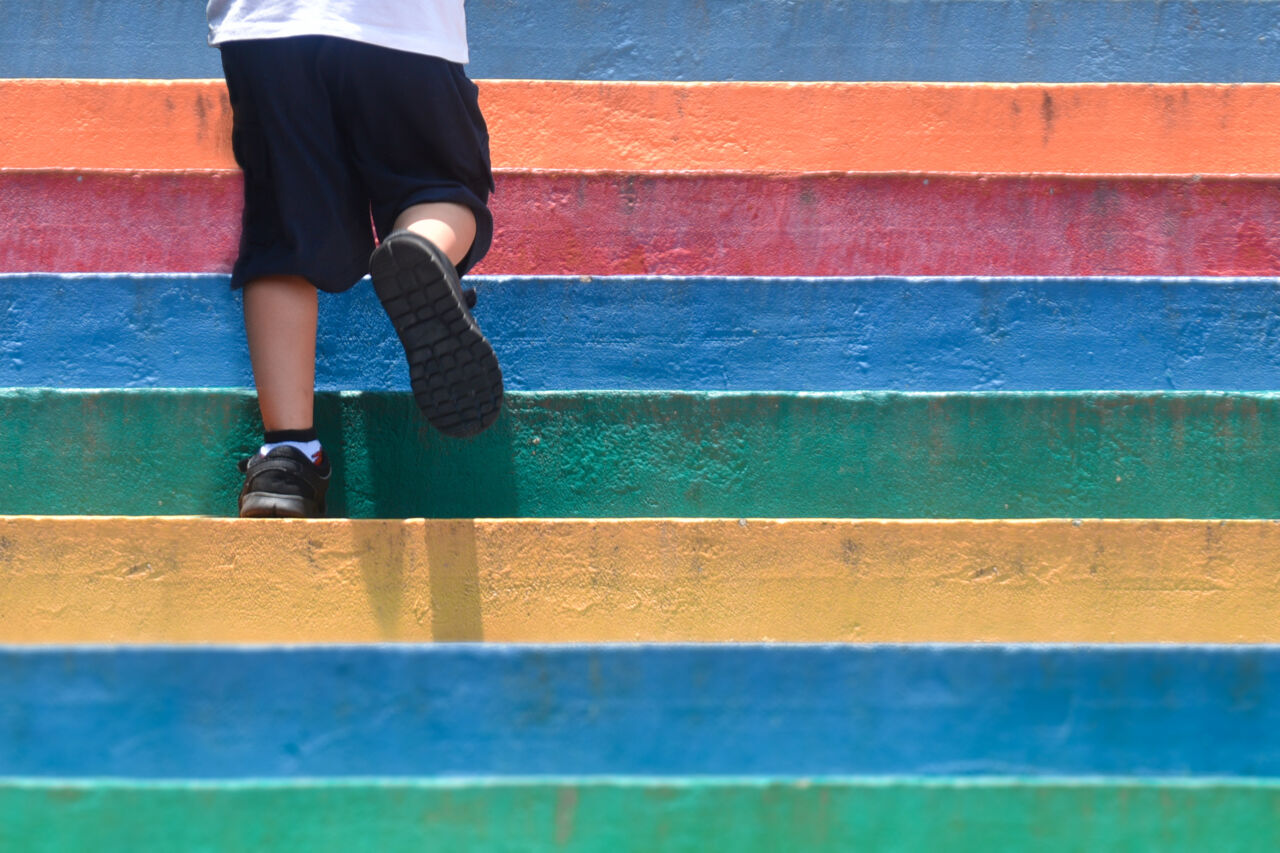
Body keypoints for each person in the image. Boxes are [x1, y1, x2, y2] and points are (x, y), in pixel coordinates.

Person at [206, 0, 502, 518]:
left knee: (283, 231)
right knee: (438, 183)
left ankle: (287, 458)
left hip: (269, 25)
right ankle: (424, 250)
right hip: (402, 24)